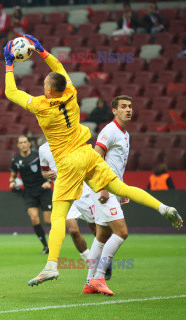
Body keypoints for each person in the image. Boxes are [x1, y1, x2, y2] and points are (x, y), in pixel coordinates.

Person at [3, 34, 182, 287]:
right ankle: (163, 207)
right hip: (87, 153)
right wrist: (42, 51)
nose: (44, 85)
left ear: (48, 90)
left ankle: (51, 265)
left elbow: (11, 92)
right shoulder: (71, 93)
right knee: (120, 188)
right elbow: (58, 69)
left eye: (45, 84)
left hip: (67, 162)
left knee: (58, 216)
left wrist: (9, 62)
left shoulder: (41, 105)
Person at [83, 96, 135, 295]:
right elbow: (96, 157)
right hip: (104, 188)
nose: (128, 110)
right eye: (123, 107)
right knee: (121, 232)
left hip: (113, 188)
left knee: (103, 234)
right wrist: (104, 187)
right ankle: (99, 276)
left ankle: (89, 282)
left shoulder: (125, 134)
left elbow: (117, 163)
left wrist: (121, 189)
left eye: (130, 106)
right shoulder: (110, 130)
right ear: (114, 111)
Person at [39, 141, 104, 270]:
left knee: (95, 229)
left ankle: (103, 258)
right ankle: (92, 264)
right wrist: (48, 175)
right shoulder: (43, 149)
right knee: (73, 231)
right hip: (63, 193)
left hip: (83, 191)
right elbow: (44, 171)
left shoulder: (72, 140)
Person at [10, 136, 52, 254]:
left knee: (48, 221)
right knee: (34, 218)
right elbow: (12, 175)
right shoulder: (16, 160)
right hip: (29, 193)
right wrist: (12, 182)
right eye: (20, 143)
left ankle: (58, 232)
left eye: (25, 142)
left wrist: (48, 182)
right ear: (18, 145)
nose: (23, 144)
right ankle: (46, 246)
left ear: (29, 144)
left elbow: (49, 171)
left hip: (43, 191)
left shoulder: (37, 156)